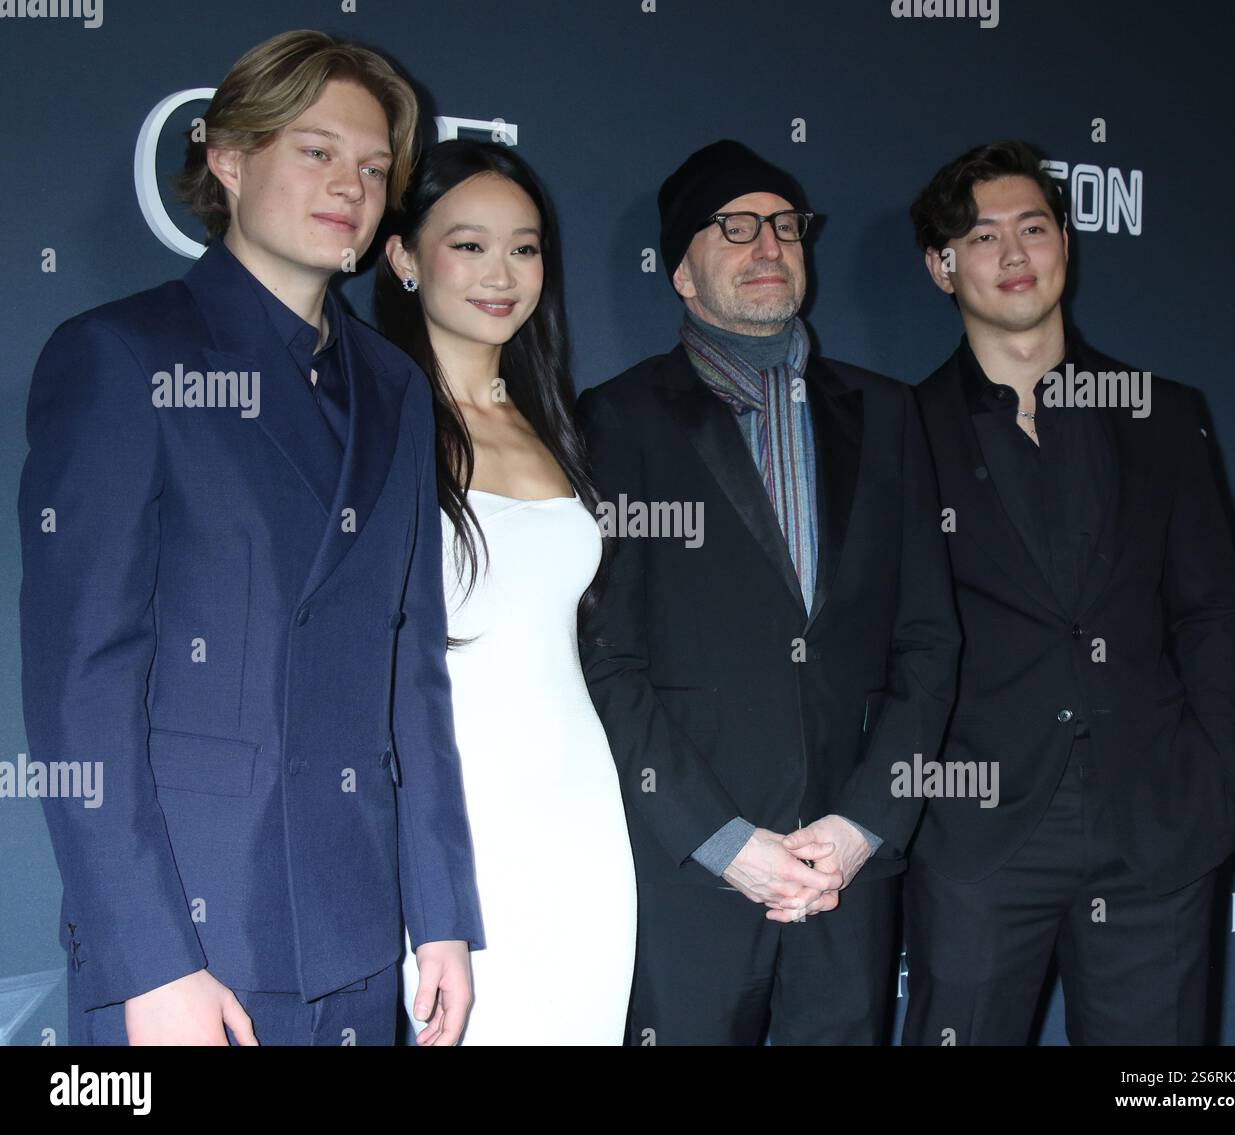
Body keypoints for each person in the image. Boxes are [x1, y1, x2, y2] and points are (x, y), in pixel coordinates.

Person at [17, 30, 482, 1046]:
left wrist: (439, 913)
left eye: (370, 167)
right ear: (228, 160)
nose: (350, 185)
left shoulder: (397, 390)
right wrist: (150, 960)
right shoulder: (120, 356)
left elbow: (412, 670)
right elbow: (79, 687)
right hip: (193, 937)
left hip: (360, 936)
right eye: (315, 151)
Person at [576, 140, 960, 1044]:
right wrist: (720, 840)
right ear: (680, 270)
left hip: (847, 873)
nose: (768, 247)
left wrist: (866, 824)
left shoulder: (889, 414)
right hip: (689, 876)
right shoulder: (617, 419)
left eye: (786, 226)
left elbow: (930, 642)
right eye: (735, 228)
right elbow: (608, 659)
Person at [904, 139, 1235, 1045]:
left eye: (1034, 226)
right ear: (942, 267)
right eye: (983, 236)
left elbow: (1215, 609)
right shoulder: (900, 431)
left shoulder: (1164, 411)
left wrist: (1219, 773)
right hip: (978, 829)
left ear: (1067, 241)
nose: (1015, 254)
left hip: (1157, 820)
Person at [378, 139, 636, 1045]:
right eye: (469, 244)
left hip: (581, 810)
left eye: (524, 248)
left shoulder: (557, 418)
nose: (502, 274)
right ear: (404, 257)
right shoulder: (366, 420)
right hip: (446, 819)